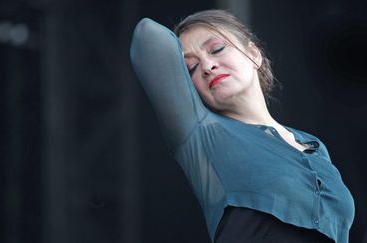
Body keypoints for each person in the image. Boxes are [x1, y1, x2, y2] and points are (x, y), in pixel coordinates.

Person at [130, 9, 354, 243]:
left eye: (216, 49)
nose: (207, 66)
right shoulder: (203, 135)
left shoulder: (314, 145)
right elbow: (147, 35)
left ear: (253, 55)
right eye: (192, 68)